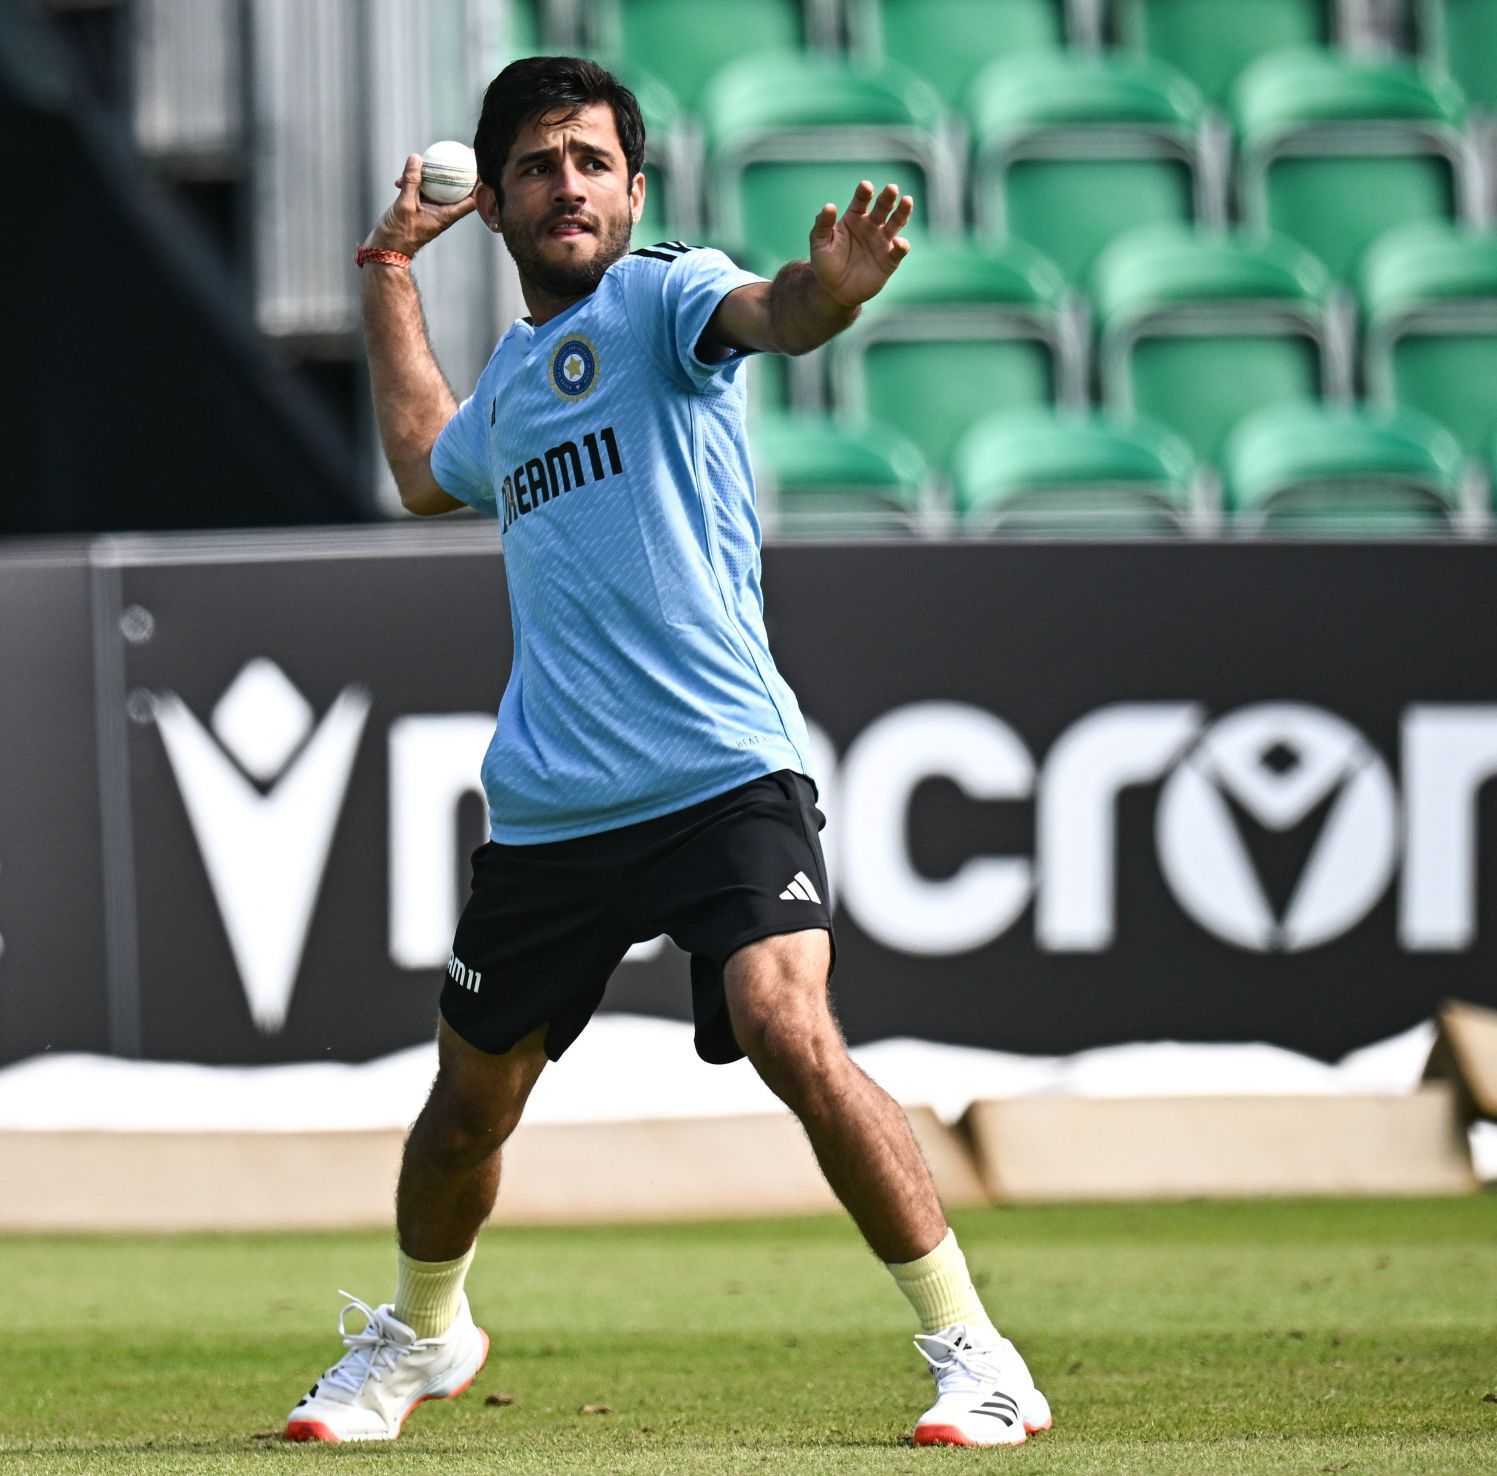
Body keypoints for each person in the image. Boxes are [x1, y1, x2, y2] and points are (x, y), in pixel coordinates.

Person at [283, 55, 1049, 1450]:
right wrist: (390, 269)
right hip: (554, 810)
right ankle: (423, 1334)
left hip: (721, 773)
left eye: (589, 161)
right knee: (463, 1117)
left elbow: (779, 310)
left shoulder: (666, 297)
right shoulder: (514, 385)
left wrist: (836, 291)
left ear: (635, 191)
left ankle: (977, 1353)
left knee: (787, 1026)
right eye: (535, 166)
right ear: (500, 210)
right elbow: (419, 466)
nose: (564, 184)